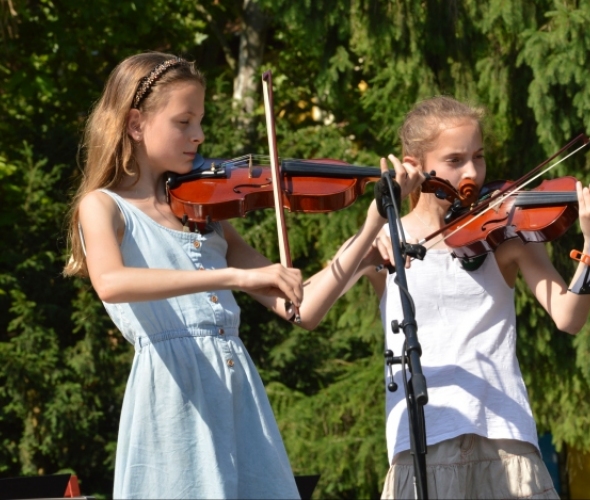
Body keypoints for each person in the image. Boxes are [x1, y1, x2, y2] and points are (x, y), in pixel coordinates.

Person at [63, 52, 422, 499]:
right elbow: (112, 283)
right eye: (184, 122)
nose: (199, 135)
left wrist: (370, 227)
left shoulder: (206, 217)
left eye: (200, 121)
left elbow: (302, 308)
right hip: (173, 400)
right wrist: (233, 277)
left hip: (236, 393)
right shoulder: (103, 206)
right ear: (136, 124)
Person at [345, 96, 590, 499]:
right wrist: (372, 228)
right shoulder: (387, 242)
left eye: (479, 157)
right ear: (413, 164)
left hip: (504, 435)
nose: (472, 172)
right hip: (423, 441)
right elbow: (310, 300)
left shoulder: (505, 234)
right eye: (455, 160)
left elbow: (568, 317)